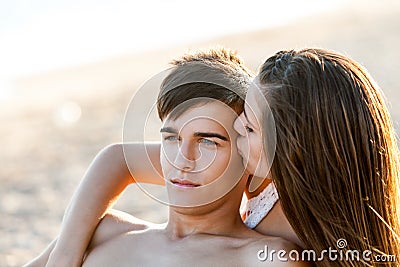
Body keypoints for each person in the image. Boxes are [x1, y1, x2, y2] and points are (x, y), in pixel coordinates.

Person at [25, 48, 305, 266]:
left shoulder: (265, 258)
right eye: (171, 138)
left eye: (207, 142)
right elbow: (118, 157)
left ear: (248, 152)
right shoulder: (102, 230)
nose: (182, 160)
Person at [234, 48, 400, 266]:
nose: (237, 124)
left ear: (293, 150)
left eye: (250, 128)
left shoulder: (278, 245)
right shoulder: (353, 210)